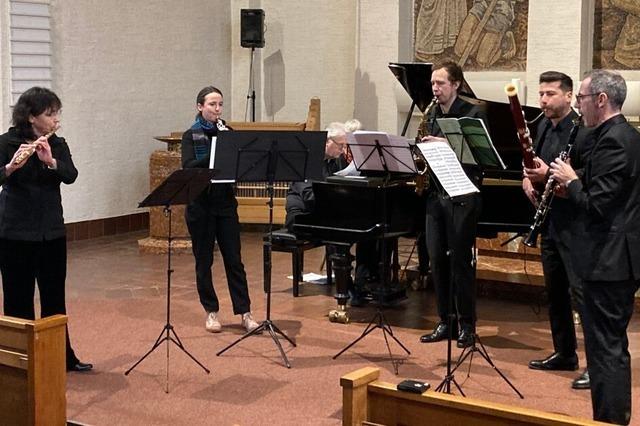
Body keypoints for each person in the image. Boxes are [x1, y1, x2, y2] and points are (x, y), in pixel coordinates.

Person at [550, 69, 640, 425]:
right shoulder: (613, 136)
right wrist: (569, 182)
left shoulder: (616, 139)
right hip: (611, 258)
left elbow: (599, 204)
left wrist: (571, 182)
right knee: (608, 347)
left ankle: (610, 419)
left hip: (610, 261)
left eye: (582, 98)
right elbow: (602, 187)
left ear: (601, 100)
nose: (578, 105)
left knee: (606, 350)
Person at [0, 87, 91, 372]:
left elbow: (71, 175)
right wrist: (11, 168)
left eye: (56, 114)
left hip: (51, 232)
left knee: (54, 297)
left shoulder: (57, 143)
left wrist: (50, 161)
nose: (55, 120)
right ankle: (20, 361)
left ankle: (61, 357)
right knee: (18, 299)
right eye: (50, 114)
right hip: (14, 234)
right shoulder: (6, 142)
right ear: (31, 117)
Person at [523, 72, 593, 390]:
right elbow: (532, 165)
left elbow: (589, 174)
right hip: (550, 219)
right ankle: (565, 352)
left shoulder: (583, 130)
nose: (543, 100)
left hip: (576, 224)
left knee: (582, 295)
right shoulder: (540, 125)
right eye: (541, 94)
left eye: (551, 94)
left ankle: (597, 364)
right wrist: (527, 179)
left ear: (568, 96)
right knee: (555, 292)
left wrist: (555, 175)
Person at [418, 62, 485, 348]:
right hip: (435, 194)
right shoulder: (431, 113)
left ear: (456, 84)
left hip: (463, 196)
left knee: (461, 262)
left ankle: (467, 325)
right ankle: (445, 320)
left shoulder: (473, 113)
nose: (435, 88)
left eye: (441, 83)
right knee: (437, 259)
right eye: (433, 83)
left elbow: (479, 154)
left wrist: (444, 145)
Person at [181, 86, 259, 334]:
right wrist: (217, 150)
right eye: (212, 104)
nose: (217, 109)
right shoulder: (190, 136)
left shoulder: (228, 133)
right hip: (201, 206)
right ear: (200, 107)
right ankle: (211, 311)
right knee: (204, 261)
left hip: (225, 204)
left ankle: (245, 312)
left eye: (220, 105)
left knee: (234, 260)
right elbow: (189, 166)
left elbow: (238, 165)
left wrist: (229, 146)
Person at [284, 122, 348, 231]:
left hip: (321, 209)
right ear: (327, 141)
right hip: (301, 214)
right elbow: (308, 195)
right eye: (340, 145)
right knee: (338, 226)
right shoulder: (307, 159)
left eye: (344, 146)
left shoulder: (335, 161)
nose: (342, 150)